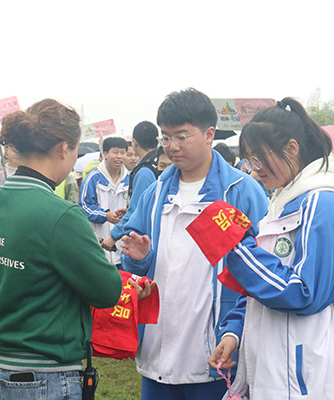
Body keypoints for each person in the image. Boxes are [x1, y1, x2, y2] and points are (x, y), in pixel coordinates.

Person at [120, 88, 269, 400]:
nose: (172, 147)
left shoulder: (240, 192)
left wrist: (236, 329)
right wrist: (138, 259)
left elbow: (263, 270)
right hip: (158, 347)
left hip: (216, 349)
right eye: (166, 137)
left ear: (209, 134)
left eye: (182, 136)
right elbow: (137, 262)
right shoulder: (156, 193)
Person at [206, 98, 334, 400]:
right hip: (277, 365)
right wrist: (234, 332)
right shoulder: (282, 202)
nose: (254, 170)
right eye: (249, 160)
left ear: (292, 148)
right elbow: (258, 289)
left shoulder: (320, 202)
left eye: (259, 159)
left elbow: (305, 292)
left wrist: (238, 247)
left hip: (306, 373)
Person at [0, 98, 123, 400]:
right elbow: (107, 292)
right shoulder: (61, 215)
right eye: (75, 151)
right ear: (62, 149)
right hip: (40, 376)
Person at [101, 121, 160, 252]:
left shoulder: (144, 170)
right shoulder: (160, 162)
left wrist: (113, 237)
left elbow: (137, 210)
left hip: (146, 241)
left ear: (134, 142)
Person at [80, 136, 130, 266]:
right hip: (99, 245)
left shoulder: (130, 178)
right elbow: (85, 207)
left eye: (123, 152)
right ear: (105, 154)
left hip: (123, 248)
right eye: (115, 152)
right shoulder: (93, 178)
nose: (119, 156)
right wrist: (105, 215)